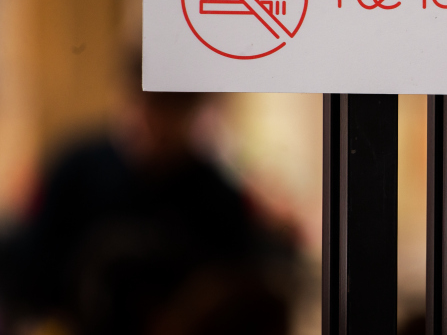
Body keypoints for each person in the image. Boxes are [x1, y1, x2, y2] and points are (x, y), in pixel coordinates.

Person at [0, 60, 296, 335]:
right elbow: (30, 268)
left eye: (170, 107)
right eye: (146, 102)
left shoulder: (218, 197)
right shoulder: (77, 172)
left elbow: (244, 285)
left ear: (193, 109)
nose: (154, 122)